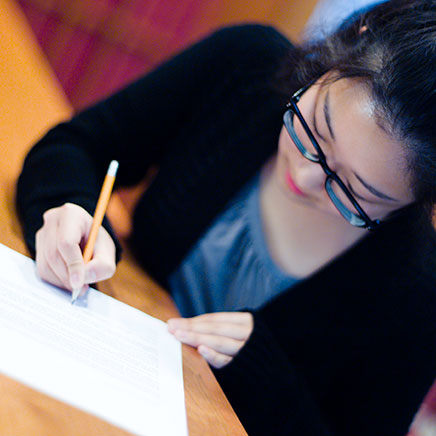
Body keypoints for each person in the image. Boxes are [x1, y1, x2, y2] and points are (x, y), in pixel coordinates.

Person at [15, 0, 436, 434]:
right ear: (343, 51)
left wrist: (263, 379)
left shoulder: (418, 293)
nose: (304, 173)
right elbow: (75, 147)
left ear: (415, 201)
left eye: (351, 191)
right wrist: (70, 206)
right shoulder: (244, 66)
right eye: (313, 127)